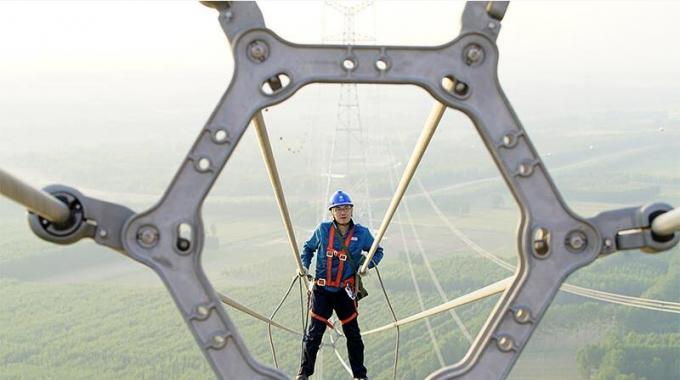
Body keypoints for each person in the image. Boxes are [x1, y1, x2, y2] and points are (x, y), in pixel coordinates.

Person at [296, 190, 384, 380]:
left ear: (351, 210)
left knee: (353, 335)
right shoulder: (323, 230)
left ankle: (360, 375)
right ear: (332, 212)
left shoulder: (362, 233)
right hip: (322, 291)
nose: (343, 212)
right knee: (313, 334)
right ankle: (304, 374)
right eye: (338, 209)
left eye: (346, 208)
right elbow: (308, 248)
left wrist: (367, 264)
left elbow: (377, 251)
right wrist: (304, 264)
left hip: (345, 292)